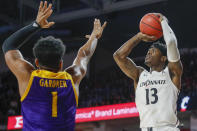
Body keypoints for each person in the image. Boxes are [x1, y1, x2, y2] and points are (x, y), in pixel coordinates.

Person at [2, 1, 107, 131]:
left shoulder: (28, 76)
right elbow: (84, 54)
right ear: (61, 63)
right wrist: (94, 38)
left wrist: (36, 25)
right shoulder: (73, 76)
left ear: (36, 63)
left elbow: (8, 46)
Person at [113, 14, 182, 131]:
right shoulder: (140, 75)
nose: (149, 53)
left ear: (163, 58)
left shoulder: (171, 73)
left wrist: (163, 22)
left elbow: (170, 42)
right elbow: (118, 56)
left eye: (153, 51)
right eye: (148, 51)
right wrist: (138, 37)